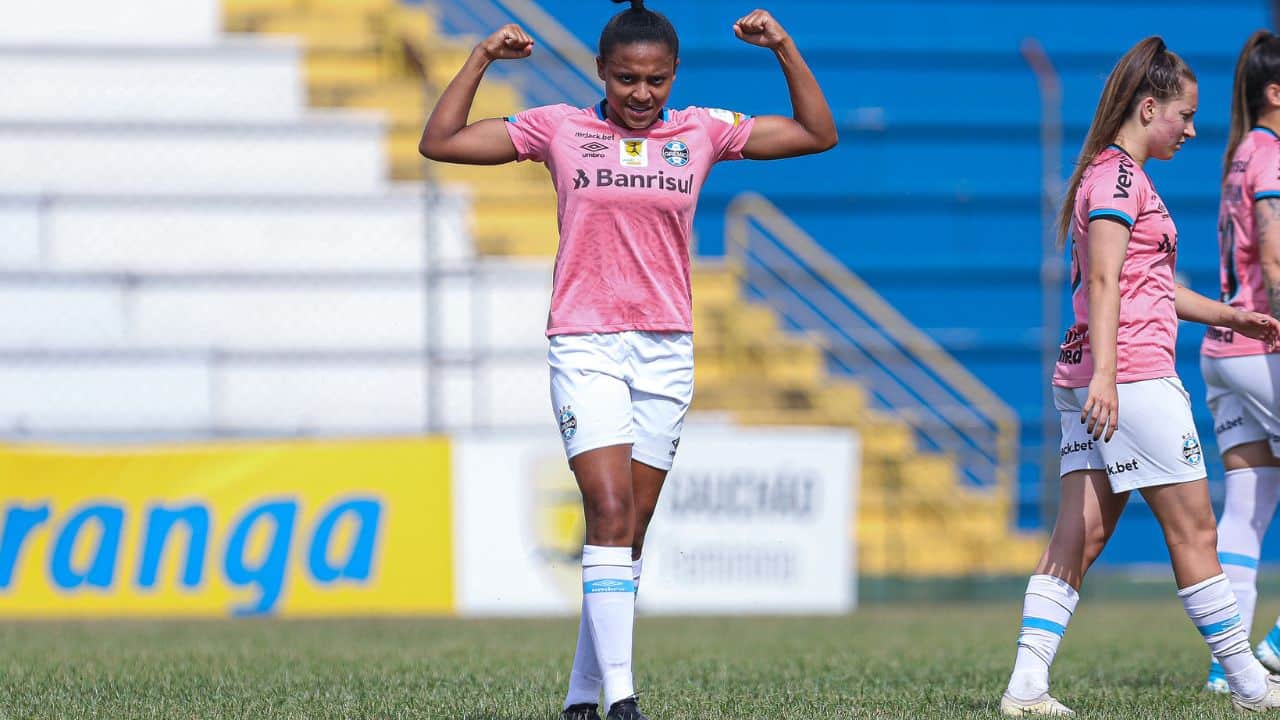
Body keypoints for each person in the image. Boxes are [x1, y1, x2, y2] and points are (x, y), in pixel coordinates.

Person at [419, 2, 836, 718]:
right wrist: (482, 57)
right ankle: (622, 699)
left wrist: (784, 47)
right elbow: (442, 141)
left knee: (630, 531)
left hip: (667, 350)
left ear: (674, 75)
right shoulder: (560, 129)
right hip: (585, 343)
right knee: (606, 509)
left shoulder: (700, 131)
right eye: (625, 79)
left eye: (655, 80)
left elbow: (816, 133)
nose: (641, 95)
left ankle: (583, 696)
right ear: (600, 73)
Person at [998, 36, 1280, 717]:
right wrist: (1107, 380)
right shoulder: (1120, 180)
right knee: (1196, 533)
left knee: (1081, 535)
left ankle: (1026, 685)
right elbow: (1102, 279)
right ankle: (1249, 685)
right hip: (1131, 380)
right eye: (1183, 115)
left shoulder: (1115, 175)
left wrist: (1231, 316)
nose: (1191, 129)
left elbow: (1145, 283)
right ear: (1147, 106)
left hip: (1099, 376)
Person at [1203, 29, 1280, 694]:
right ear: (1276, 94)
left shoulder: (1237, 154)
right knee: (1248, 508)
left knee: (1247, 508)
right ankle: (1277, 649)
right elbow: (1274, 251)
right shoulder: (1273, 157)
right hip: (1263, 343)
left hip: (1221, 351)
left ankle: (1224, 670)